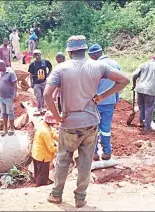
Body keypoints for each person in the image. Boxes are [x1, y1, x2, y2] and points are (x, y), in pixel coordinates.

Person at [43, 35, 129, 208]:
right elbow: (124, 80)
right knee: (85, 161)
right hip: (91, 121)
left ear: (69, 51)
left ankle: (56, 194)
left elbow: (46, 95)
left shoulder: (61, 69)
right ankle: (80, 198)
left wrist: (58, 116)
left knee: (63, 158)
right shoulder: (99, 65)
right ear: (85, 50)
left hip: (69, 122)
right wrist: (102, 96)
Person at [88, 44, 122, 161]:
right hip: (110, 101)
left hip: (95, 102)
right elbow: (119, 84)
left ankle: (94, 153)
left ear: (93, 55)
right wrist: (116, 99)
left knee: (94, 128)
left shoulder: (93, 65)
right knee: (106, 128)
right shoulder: (115, 64)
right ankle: (107, 152)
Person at [132, 55, 155, 134]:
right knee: (149, 108)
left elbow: (134, 75)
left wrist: (134, 84)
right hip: (150, 91)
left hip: (139, 89)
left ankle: (141, 122)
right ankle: (147, 127)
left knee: (141, 106)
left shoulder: (143, 65)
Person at [32, 111, 59, 187]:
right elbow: (51, 148)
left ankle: (36, 183)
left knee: (38, 173)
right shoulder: (45, 132)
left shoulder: (44, 125)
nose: (54, 124)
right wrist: (62, 148)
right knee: (42, 176)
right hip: (42, 156)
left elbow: (53, 134)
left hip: (36, 153)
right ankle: (39, 189)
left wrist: (61, 140)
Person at [0, 60, 18, 136]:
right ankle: (5, 129)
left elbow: (15, 85)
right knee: (3, 113)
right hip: (1, 97)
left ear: (2, 66)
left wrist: (15, 95)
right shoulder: (0, 73)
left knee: (10, 113)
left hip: (9, 97)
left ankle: (12, 129)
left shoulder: (11, 73)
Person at [28, 49, 52, 113]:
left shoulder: (45, 62)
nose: (36, 56)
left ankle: (44, 107)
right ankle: (39, 107)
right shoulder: (32, 64)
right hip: (36, 83)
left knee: (44, 95)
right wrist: (31, 82)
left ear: (40, 55)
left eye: (37, 54)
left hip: (44, 82)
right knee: (38, 96)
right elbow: (30, 74)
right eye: (35, 55)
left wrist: (48, 74)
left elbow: (50, 67)